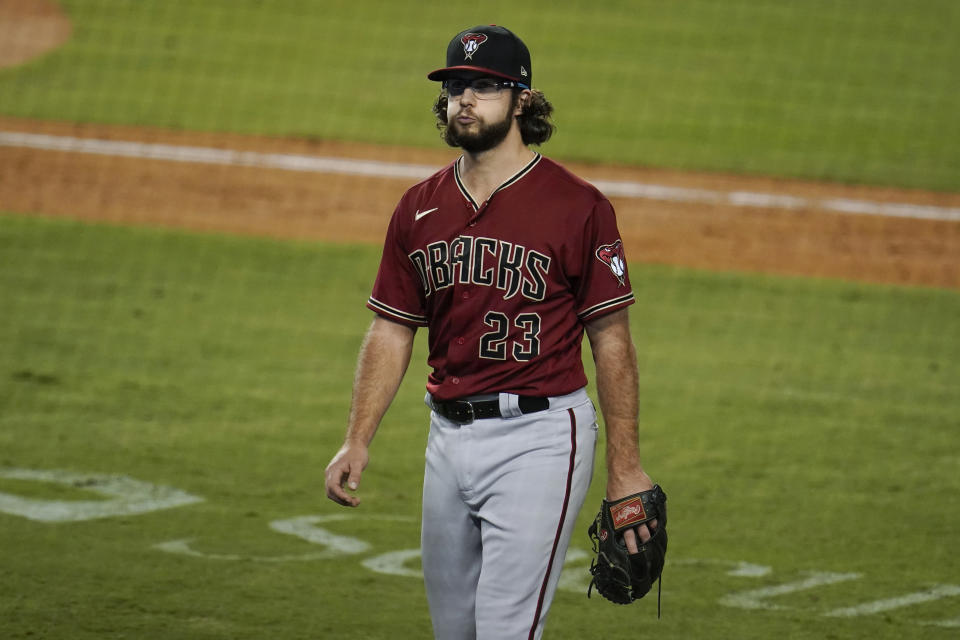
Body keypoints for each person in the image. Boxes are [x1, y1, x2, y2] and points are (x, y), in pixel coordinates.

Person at [324, 24, 659, 640]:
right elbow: (392, 331)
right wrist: (357, 439)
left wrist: (626, 467)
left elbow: (612, 340)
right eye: (456, 87)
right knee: (454, 633)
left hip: (540, 440)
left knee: (506, 631)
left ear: (523, 100)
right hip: (446, 441)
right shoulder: (418, 207)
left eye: (484, 87)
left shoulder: (579, 206)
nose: (465, 101)